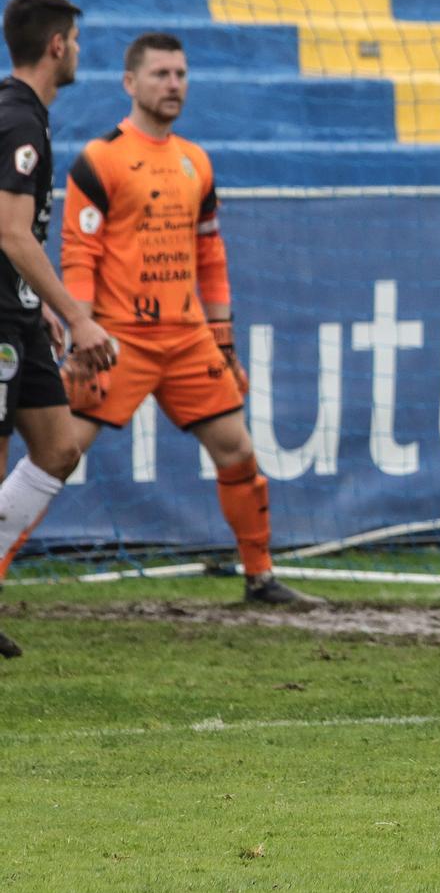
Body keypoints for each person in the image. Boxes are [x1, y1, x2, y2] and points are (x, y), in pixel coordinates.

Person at [55, 33, 313, 606]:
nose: (173, 84)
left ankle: (260, 576)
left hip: (188, 338)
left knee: (237, 450)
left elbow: (210, 254)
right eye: (160, 74)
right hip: (117, 342)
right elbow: (80, 256)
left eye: (180, 74)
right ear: (130, 83)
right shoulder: (100, 160)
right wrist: (82, 335)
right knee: (58, 454)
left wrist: (222, 338)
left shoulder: (196, 160)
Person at [0, 0, 119, 657]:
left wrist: (38, 303)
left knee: (58, 448)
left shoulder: (23, 116)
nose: (77, 51)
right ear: (56, 46)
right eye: (73, 41)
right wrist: (77, 315)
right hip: (0, 321)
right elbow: (12, 233)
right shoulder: (18, 122)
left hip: (18, 313)